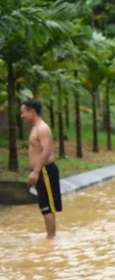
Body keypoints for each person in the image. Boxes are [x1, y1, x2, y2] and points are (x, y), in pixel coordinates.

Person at [20, 100, 61, 239]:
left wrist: (36, 171)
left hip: (45, 171)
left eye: (23, 112)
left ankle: (51, 241)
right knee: (45, 206)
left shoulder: (42, 128)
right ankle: (50, 238)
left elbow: (46, 151)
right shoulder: (35, 128)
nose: (22, 116)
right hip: (41, 171)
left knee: (47, 206)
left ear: (32, 112)